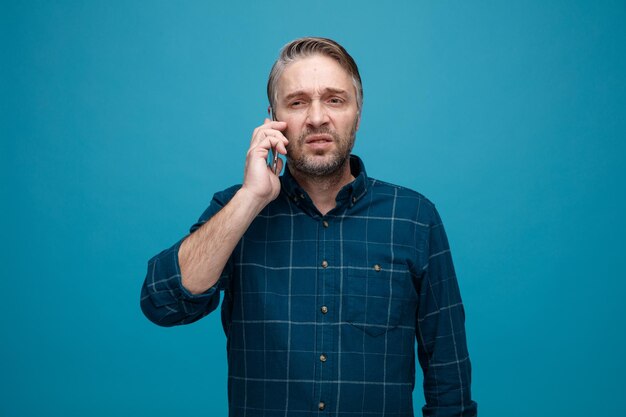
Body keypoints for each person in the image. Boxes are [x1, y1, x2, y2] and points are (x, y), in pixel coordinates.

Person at [140, 37, 477, 417]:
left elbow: (449, 379)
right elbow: (162, 304)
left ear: (358, 112)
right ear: (272, 119)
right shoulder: (237, 210)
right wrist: (251, 198)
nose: (317, 117)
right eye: (298, 102)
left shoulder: (415, 218)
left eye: (335, 99)